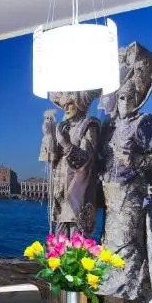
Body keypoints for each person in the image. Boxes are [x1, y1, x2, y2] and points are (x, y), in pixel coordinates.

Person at [98, 43, 152, 300]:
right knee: (110, 243)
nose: (125, 102)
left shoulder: (143, 122)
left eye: (130, 97)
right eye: (121, 97)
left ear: (137, 98)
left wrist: (136, 160)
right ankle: (108, 294)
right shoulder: (110, 126)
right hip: (111, 197)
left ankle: (129, 297)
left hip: (131, 196)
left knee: (127, 244)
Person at [39, 89, 101, 238]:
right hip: (61, 192)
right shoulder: (62, 126)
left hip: (78, 192)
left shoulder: (88, 126)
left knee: (77, 238)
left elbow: (87, 160)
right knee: (59, 239)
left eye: (70, 104)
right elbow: (51, 158)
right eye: (64, 105)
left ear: (79, 104)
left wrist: (66, 144)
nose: (66, 108)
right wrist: (49, 135)